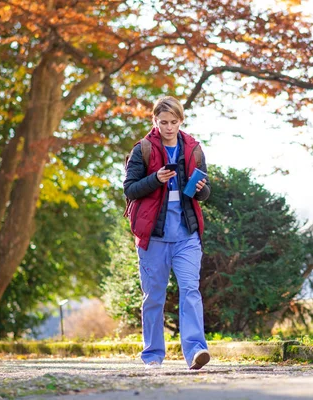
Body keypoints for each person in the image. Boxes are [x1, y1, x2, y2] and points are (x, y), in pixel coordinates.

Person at [123, 96, 211, 370]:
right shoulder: (143, 149)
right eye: (163, 122)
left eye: (173, 122)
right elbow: (130, 189)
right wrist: (155, 179)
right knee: (154, 297)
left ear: (180, 121)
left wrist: (201, 189)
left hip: (186, 235)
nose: (169, 127)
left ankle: (196, 351)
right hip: (153, 237)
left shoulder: (194, 149)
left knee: (190, 290)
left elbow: (206, 192)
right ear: (155, 121)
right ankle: (152, 356)